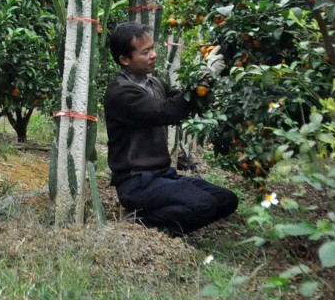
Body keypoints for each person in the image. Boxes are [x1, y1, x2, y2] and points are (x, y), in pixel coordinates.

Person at [102, 21, 238, 236]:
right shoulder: (121, 93)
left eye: (153, 48)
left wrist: (209, 79)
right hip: (136, 182)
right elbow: (166, 112)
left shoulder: (153, 83)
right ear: (125, 59)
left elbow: (181, 98)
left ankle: (159, 215)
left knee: (226, 200)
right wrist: (205, 75)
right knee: (204, 205)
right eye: (145, 52)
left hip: (162, 175)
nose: (154, 55)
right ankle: (145, 226)